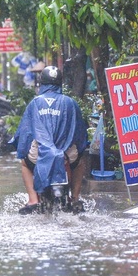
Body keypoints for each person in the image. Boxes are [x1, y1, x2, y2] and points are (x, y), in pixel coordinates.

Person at [13, 65, 88, 215]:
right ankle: (75, 198)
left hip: (40, 154)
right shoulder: (70, 103)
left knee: (24, 164)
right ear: (60, 83)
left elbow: (25, 133)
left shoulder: (35, 103)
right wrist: (81, 149)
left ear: (42, 83)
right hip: (66, 153)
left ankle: (33, 200)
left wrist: (21, 151)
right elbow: (80, 132)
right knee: (80, 163)